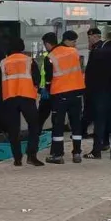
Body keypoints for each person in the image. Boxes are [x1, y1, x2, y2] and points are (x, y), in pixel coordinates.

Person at [0, 37, 44, 167]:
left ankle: (17, 159)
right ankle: (31, 156)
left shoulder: (3, 63)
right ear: (22, 47)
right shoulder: (29, 61)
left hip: (9, 98)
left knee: (13, 129)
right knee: (34, 126)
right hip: (27, 97)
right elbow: (37, 79)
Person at [44, 31, 87, 164]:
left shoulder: (51, 56)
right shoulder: (74, 52)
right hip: (77, 93)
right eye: (74, 41)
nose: (75, 44)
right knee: (76, 124)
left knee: (58, 125)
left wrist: (47, 90)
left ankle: (58, 155)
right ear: (67, 41)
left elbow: (48, 79)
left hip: (60, 95)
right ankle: (77, 153)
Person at [85, 30, 111, 159]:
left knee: (99, 122)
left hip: (99, 93)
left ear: (106, 38)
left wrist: (89, 93)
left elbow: (89, 74)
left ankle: (96, 151)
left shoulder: (97, 52)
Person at [81, 27, 103, 139]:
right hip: (92, 86)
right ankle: (83, 131)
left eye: (90, 38)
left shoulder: (98, 49)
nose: (89, 40)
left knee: (90, 110)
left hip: (93, 86)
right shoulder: (96, 48)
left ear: (95, 36)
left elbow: (93, 70)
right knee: (90, 110)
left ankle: (84, 131)